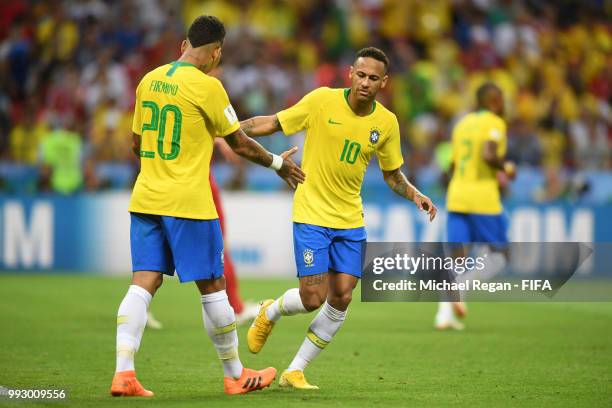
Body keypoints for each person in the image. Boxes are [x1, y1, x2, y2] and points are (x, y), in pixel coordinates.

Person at [110, 15, 305, 397]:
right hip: (189, 202)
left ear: (185, 45)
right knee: (214, 286)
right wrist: (280, 164)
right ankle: (235, 375)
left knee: (143, 282)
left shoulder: (149, 80)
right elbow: (241, 144)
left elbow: (135, 144)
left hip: (147, 196)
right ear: (216, 52)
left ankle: (124, 373)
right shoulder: (208, 87)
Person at [240, 47, 437, 389]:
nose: (365, 82)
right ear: (350, 73)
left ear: (384, 83)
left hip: (350, 219)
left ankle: (295, 369)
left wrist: (414, 194)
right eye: (361, 75)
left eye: (373, 78)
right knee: (312, 297)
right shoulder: (321, 101)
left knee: (343, 295)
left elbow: (392, 175)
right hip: (312, 212)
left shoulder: (386, 123)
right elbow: (271, 123)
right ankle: (269, 311)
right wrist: (226, 129)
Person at [436, 82, 515, 330]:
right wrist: (507, 168)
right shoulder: (494, 123)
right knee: (502, 254)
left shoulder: (462, 124)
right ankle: (461, 288)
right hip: (482, 198)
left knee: (457, 259)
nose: (504, 105)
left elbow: (451, 165)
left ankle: (443, 316)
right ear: (493, 101)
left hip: (457, 195)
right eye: (501, 99)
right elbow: (489, 155)